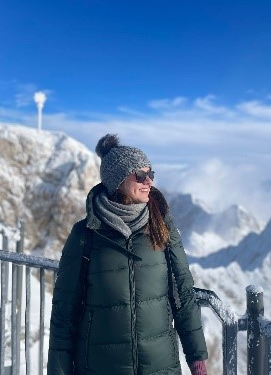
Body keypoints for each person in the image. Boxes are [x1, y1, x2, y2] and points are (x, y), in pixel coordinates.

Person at [47, 134, 208, 375]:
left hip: (160, 366)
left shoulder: (161, 226)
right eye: (140, 175)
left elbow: (183, 293)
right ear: (118, 179)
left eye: (151, 174)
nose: (148, 182)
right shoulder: (86, 234)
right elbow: (64, 311)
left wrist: (197, 358)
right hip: (100, 366)